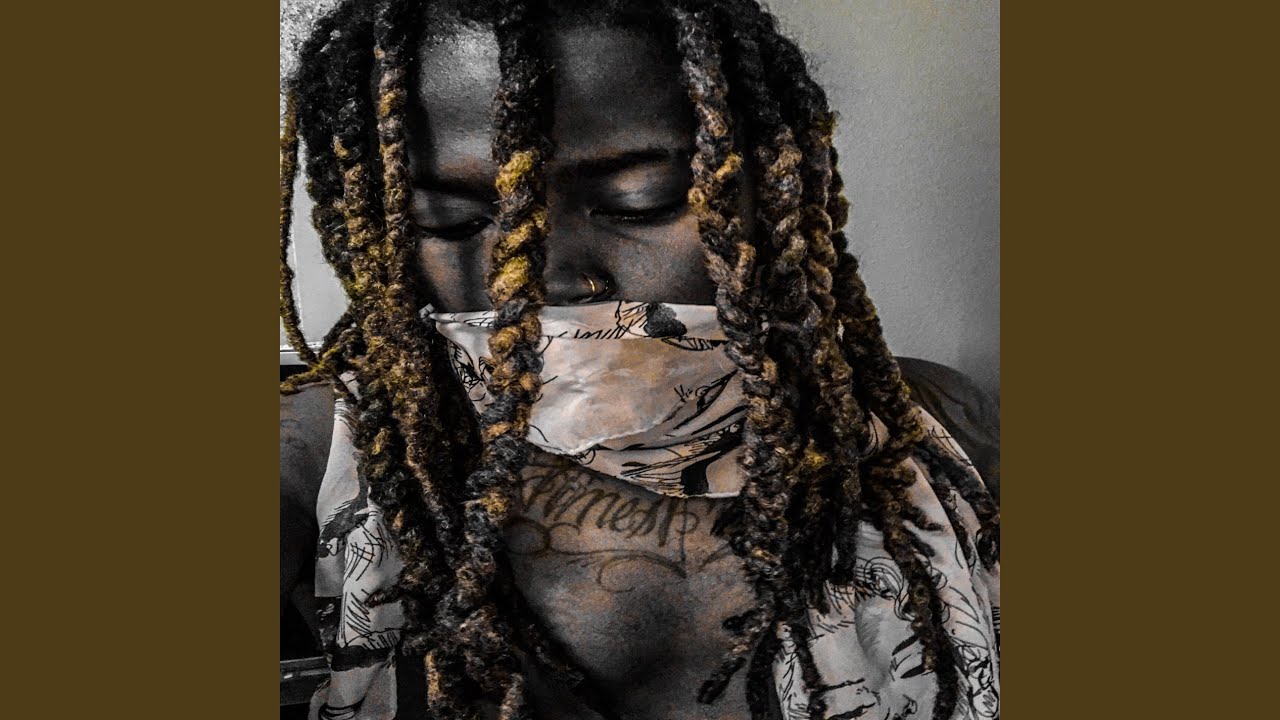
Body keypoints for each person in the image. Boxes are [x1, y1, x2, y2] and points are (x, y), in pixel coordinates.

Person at [279, 1, 1001, 718]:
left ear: (769, 190)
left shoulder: (937, 425)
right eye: (454, 222)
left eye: (638, 202)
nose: (548, 280)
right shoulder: (316, 451)